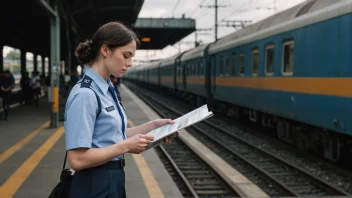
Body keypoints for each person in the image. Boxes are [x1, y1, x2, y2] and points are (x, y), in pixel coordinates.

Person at [64, 21, 178, 198]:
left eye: (132, 57)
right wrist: (125, 147)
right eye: (126, 55)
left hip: (110, 179)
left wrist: (154, 126)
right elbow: (77, 159)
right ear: (105, 50)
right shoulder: (85, 94)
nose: (130, 63)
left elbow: (112, 135)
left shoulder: (106, 89)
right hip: (94, 183)